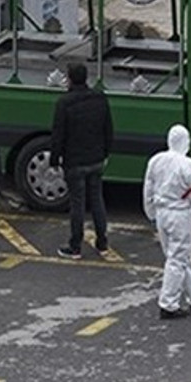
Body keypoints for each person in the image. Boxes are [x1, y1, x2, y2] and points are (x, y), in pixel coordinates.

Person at [143, 125, 191, 319]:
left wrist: (150, 213)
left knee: (180, 257)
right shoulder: (188, 165)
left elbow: (148, 190)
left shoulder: (156, 161)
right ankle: (168, 304)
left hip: (161, 214)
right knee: (177, 258)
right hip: (179, 215)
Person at [50, 63, 114, 260]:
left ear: (69, 79)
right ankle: (102, 241)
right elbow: (108, 129)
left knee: (77, 204)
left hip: (74, 161)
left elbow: (58, 135)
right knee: (97, 200)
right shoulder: (100, 99)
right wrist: (105, 153)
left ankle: (75, 245)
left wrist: (54, 159)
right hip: (95, 158)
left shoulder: (64, 103)